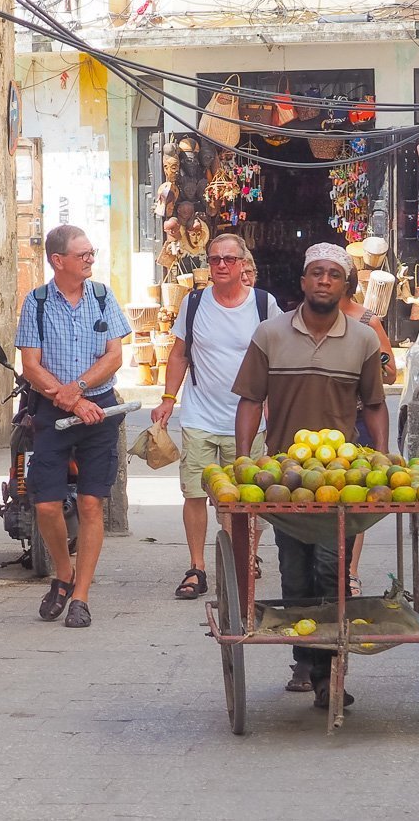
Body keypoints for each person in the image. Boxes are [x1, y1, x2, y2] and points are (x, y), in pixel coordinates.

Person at [232, 243, 387, 709]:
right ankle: (306, 657)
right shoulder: (270, 334)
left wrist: (380, 458)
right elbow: (250, 401)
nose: (323, 281)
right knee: (295, 572)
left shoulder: (363, 340)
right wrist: (244, 461)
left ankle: (327, 670)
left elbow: (374, 405)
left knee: (330, 567)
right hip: (283, 475)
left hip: (339, 476)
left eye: (333, 275)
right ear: (302, 282)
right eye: (315, 273)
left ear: (345, 285)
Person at [15, 224, 131, 629]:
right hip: (53, 411)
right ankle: (62, 573)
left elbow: (115, 355)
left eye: (91, 252)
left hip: (100, 411)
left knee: (91, 502)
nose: (90, 259)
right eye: (82, 254)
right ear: (58, 260)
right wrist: (70, 400)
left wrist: (81, 391)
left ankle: (80, 594)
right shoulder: (38, 302)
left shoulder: (102, 296)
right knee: (45, 503)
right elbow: (30, 365)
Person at [151, 234, 273, 601]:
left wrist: (274, 406)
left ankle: (245, 555)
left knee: (248, 495)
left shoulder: (264, 305)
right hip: (200, 416)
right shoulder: (195, 302)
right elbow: (179, 355)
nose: (220, 265)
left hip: (248, 420)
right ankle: (197, 566)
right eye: (214, 259)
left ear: (243, 265)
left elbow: (278, 360)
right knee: (194, 493)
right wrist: (169, 398)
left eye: (229, 259)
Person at [341, 273, 399, 596]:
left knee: (356, 498)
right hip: (320, 422)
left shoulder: (367, 322)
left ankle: (350, 570)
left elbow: (390, 374)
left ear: (346, 285)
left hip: (360, 418)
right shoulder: (310, 320)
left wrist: (373, 366)